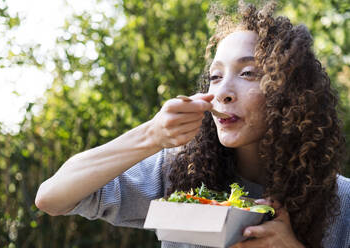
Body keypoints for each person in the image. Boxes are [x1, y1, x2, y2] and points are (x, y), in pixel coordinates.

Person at [35, 1, 349, 248]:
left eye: (248, 73)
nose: (222, 92)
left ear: (291, 91)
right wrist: (151, 135)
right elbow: (52, 197)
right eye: (215, 76)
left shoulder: (343, 201)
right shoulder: (177, 172)